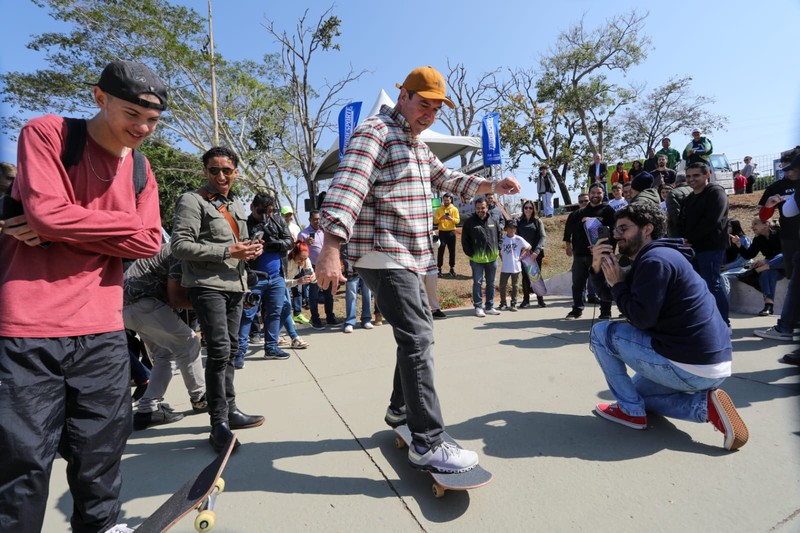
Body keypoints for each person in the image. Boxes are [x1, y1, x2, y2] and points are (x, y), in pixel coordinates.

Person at [314, 65, 522, 473]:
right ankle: (427, 442)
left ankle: (398, 409)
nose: (430, 114)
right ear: (404, 96)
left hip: (407, 255)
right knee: (419, 336)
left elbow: (449, 179)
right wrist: (331, 248)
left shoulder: (417, 145)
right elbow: (349, 185)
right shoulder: (375, 132)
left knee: (416, 330)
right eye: (424, 104)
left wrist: (492, 187)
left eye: (436, 108)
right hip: (382, 251)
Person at [0, 60, 165, 533]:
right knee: (22, 464)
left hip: (102, 328)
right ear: (100, 98)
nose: (142, 128)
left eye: (153, 120)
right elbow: (51, 215)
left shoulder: (139, 167)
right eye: (133, 113)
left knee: (101, 453)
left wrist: (56, 226)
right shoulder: (48, 134)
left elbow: (149, 241)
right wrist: (55, 219)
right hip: (27, 329)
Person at [589, 203, 749, 451]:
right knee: (636, 393)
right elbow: (609, 293)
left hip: (689, 365)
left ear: (648, 229)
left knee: (600, 333)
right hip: (711, 365)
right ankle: (704, 407)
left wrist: (618, 285)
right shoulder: (660, 256)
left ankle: (630, 412)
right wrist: (599, 267)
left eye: (624, 228)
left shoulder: (654, 261)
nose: (617, 235)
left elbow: (641, 319)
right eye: (615, 229)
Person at [171, 146, 265, 453]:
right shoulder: (193, 200)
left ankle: (231, 410)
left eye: (227, 170)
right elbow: (180, 245)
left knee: (234, 349)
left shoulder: (236, 204)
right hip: (206, 285)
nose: (221, 176)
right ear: (205, 172)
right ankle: (218, 423)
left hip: (235, 286)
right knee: (220, 349)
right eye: (214, 170)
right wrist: (228, 252)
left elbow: (238, 245)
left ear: (236, 172)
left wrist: (250, 250)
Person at [124, 244, 207, 430]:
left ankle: (147, 410)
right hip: (143, 303)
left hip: (127, 306)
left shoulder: (175, 247)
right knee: (190, 343)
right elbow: (176, 299)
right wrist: (210, 307)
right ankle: (200, 398)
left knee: (164, 355)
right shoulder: (182, 251)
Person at [237, 191, 294, 363]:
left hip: (276, 277)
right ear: (252, 207)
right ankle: (239, 352)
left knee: (274, 313)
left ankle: (271, 347)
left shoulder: (277, 220)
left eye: (269, 211)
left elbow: (289, 242)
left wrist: (271, 243)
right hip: (255, 278)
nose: (265, 215)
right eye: (261, 211)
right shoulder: (245, 224)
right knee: (248, 314)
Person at [679, 161, 730, 331]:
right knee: (696, 286)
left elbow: (712, 220)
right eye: (688, 176)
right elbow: (682, 223)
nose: (691, 179)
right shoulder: (689, 198)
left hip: (711, 247)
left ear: (707, 175)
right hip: (692, 249)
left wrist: (690, 239)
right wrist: (682, 240)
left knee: (712, 284)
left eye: (696, 175)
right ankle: (703, 321)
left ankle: (723, 323)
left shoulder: (716, 192)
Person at [563, 184, 615, 320]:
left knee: (603, 283)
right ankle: (576, 310)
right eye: (593, 192)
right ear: (589, 194)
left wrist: (606, 248)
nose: (596, 195)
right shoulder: (579, 213)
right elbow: (570, 230)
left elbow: (614, 232)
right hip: (580, 254)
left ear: (603, 194)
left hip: (601, 255)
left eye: (599, 192)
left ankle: (605, 311)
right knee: (578, 284)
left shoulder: (608, 211)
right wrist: (583, 222)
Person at [757, 152, 799, 279]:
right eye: (785, 169)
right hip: (790, 237)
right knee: (793, 277)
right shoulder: (776, 187)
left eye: (793, 169)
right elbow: (763, 217)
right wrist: (768, 206)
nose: (789, 173)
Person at [733, 218, 784, 316]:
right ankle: (768, 306)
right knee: (766, 274)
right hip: (773, 268)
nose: (752, 226)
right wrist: (738, 244)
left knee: (783, 255)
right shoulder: (758, 239)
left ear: (766, 224)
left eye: (755, 224)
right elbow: (749, 255)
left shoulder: (781, 233)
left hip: (787, 264)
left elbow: (789, 252)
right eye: (752, 224)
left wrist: (766, 261)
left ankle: (761, 268)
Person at [463, 197, 504, 317]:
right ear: (475, 209)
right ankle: (478, 307)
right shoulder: (469, 222)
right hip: (477, 260)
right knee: (478, 282)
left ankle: (490, 306)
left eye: (483, 208)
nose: (480, 210)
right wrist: (471, 253)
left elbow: (500, 236)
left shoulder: (494, 220)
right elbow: (465, 241)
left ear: (487, 208)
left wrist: (498, 249)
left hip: (492, 259)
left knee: (491, 283)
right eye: (478, 208)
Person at [298, 210, 338, 330]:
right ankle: (315, 319)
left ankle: (330, 318)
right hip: (312, 267)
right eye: (315, 219)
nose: (317, 221)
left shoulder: (324, 232)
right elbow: (297, 251)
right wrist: (305, 243)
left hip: (326, 266)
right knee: (313, 294)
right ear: (310, 220)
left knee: (329, 294)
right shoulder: (304, 234)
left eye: (319, 219)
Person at [517, 199, 547, 308]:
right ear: (523, 209)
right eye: (526, 208)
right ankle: (526, 300)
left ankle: (540, 299)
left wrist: (537, 251)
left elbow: (543, 237)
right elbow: (517, 237)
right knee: (525, 277)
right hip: (524, 254)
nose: (528, 210)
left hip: (536, 253)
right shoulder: (519, 222)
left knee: (536, 276)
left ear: (533, 209)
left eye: (530, 208)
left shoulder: (537, 221)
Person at [498, 219, 531, 311]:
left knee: (515, 285)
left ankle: (514, 303)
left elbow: (528, 247)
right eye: (510, 228)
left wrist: (521, 257)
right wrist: (501, 256)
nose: (512, 230)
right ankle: (503, 303)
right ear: (506, 229)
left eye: (514, 228)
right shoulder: (503, 238)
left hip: (515, 266)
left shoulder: (518, 239)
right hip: (505, 266)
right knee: (502, 285)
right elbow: (498, 249)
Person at [341, 241, 374, 333]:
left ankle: (366, 320)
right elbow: (343, 251)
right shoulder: (349, 233)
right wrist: (349, 265)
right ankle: (350, 322)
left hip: (366, 268)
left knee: (367, 294)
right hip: (352, 270)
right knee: (351, 296)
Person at [720, 220, 752, 299]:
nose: (726, 228)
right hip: (730, 267)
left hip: (746, 266)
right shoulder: (725, 240)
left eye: (729, 226)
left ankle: (725, 306)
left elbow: (746, 259)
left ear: (735, 227)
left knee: (723, 276)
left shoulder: (744, 239)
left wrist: (728, 266)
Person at [433, 192, 460, 277]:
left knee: (452, 251)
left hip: (451, 232)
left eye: (447, 200)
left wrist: (451, 218)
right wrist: (441, 218)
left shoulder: (454, 209)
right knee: (440, 251)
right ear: (443, 200)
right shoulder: (439, 210)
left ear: (450, 200)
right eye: (444, 200)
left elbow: (457, 221)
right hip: (442, 233)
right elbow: (435, 221)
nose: (446, 202)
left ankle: (452, 268)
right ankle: (439, 268)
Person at [665, 173, 692, 238]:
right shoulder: (696, 190)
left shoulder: (673, 193)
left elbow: (674, 217)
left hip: (679, 236)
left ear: (676, 181)